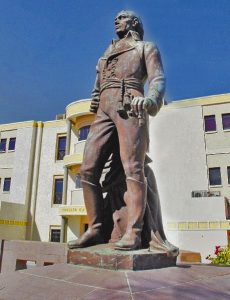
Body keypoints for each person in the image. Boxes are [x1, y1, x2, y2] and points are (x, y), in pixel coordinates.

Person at [68, 10, 165, 250]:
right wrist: (95, 98)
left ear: (134, 23)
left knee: (133, 167)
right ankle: (95, 228)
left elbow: (158, 79)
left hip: (130, 106)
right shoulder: (105, 55)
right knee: (88, 169)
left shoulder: (145, 47)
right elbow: (97, 86)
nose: (116, 20)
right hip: (104, 110)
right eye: (116, 17)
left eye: (122, 17)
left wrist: (151, 100)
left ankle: (134, 231)